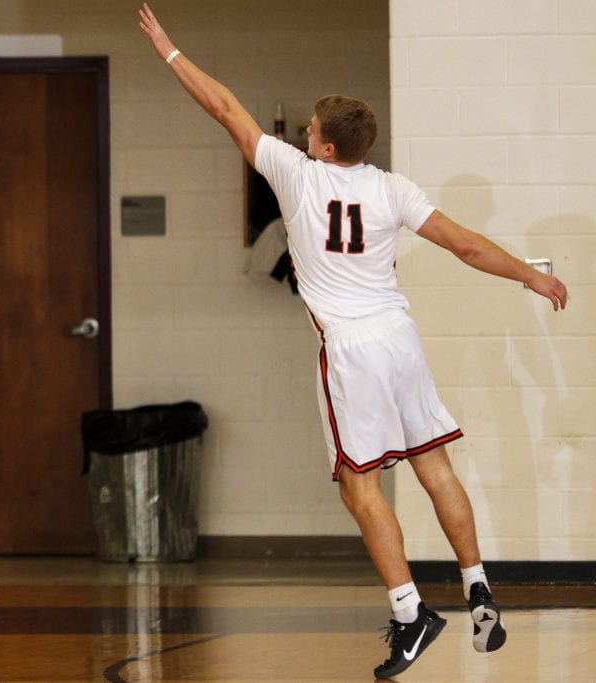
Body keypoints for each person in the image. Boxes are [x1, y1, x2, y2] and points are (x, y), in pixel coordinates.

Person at [138, 3, 568, 680]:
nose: (305, 135)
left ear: (326, 147)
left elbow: (225, 107)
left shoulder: (295, 174)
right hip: (401, 338)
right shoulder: (394, 188)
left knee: (360, 486)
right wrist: (530, 279)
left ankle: (410, 614)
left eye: (311, 129)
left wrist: (168, 50)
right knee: (434, 465)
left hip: (351, 350)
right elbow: (465, 246)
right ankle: (478, 584)